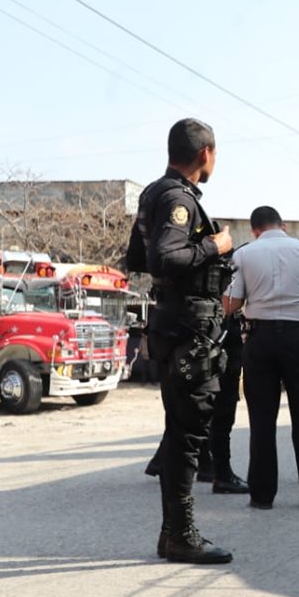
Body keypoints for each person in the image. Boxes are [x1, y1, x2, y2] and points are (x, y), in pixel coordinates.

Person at [125, 117, 234, 564]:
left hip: (172, 324)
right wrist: (216, 247)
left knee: (179, 430)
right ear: (205, 153)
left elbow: (137, 256)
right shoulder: (176, 199)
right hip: (189, 327)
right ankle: (182, 535)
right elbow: (165, 256)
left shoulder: (154, 193)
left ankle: (172, 533)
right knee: (189, 432)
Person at [223, 206, 299, 510]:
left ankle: (262, 495)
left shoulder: (244, 254)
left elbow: (230, 304)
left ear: (254, 230)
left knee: (261, 419)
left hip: (259, 341)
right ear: (282, 226)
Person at [143, 314, 249, 494]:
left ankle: (197, 465)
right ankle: (220, 474)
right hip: (211, 332)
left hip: (180, 330)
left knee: (190, 404)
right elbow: (229, 301)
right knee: (217, 407)